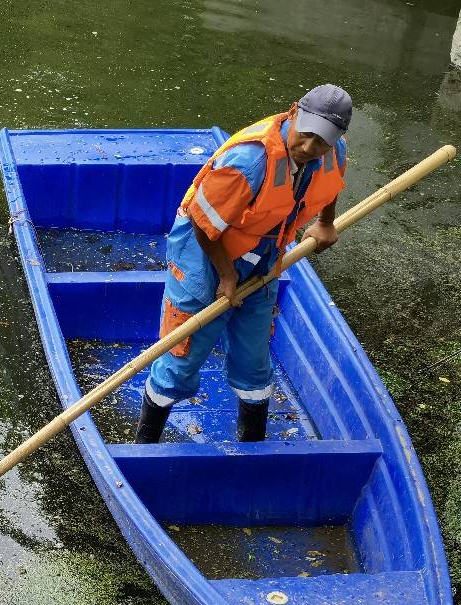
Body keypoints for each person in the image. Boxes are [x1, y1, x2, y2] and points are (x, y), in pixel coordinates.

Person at [134, 84, 351, 444]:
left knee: (254, 358)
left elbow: (330, 184)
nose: (309, 147)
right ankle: (147, 441)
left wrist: (326, 222)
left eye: (322, 141)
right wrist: (227, 274)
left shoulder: (332, 151)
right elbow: (204, 224)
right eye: (307, 133)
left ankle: (253, 444)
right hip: (205, 255)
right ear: (293, 112)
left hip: (264, 253)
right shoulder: (249, 161)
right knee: (182, 354)